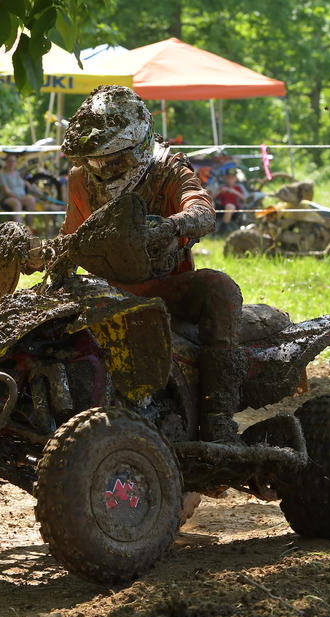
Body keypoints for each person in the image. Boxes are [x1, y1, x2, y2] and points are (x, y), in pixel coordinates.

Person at [57, 85, 246, 442]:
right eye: (93, 159)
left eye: (110, 159)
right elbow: (72, 236)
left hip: (164, 287)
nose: (102, 167)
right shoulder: (81, 178)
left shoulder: (169, 169)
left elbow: (202, 210)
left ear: (139, 147)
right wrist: (42, 253)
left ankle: (218, 414)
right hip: (102, 291)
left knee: (220, 287)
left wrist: (171, 225)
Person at [0, 153, 37, 223]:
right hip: (8, 198)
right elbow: (6, 191)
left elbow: (20, 182)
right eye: (10, 161)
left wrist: (26, 183)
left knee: (31, 199)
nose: (12, 163)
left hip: (21, 197)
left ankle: (29, 227)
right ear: (6, 162)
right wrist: (18, 198)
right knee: (17, 203)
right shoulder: (1, 174)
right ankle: (19, 230)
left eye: (14, 161)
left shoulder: (17, 173)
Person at [213, 167, 247, 233]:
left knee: (229, 206)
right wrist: (219, 192)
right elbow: (211, 198)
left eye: (232, 178)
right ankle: (208, 224)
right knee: (211, 203)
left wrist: (234, 192)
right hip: (222, 207)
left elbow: (246, 199)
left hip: (234, 209)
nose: (230, 180)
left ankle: (222, 229)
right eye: (228, 178)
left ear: (235, 179)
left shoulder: (239, 187)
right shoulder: (221, 187)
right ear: (225, 179)